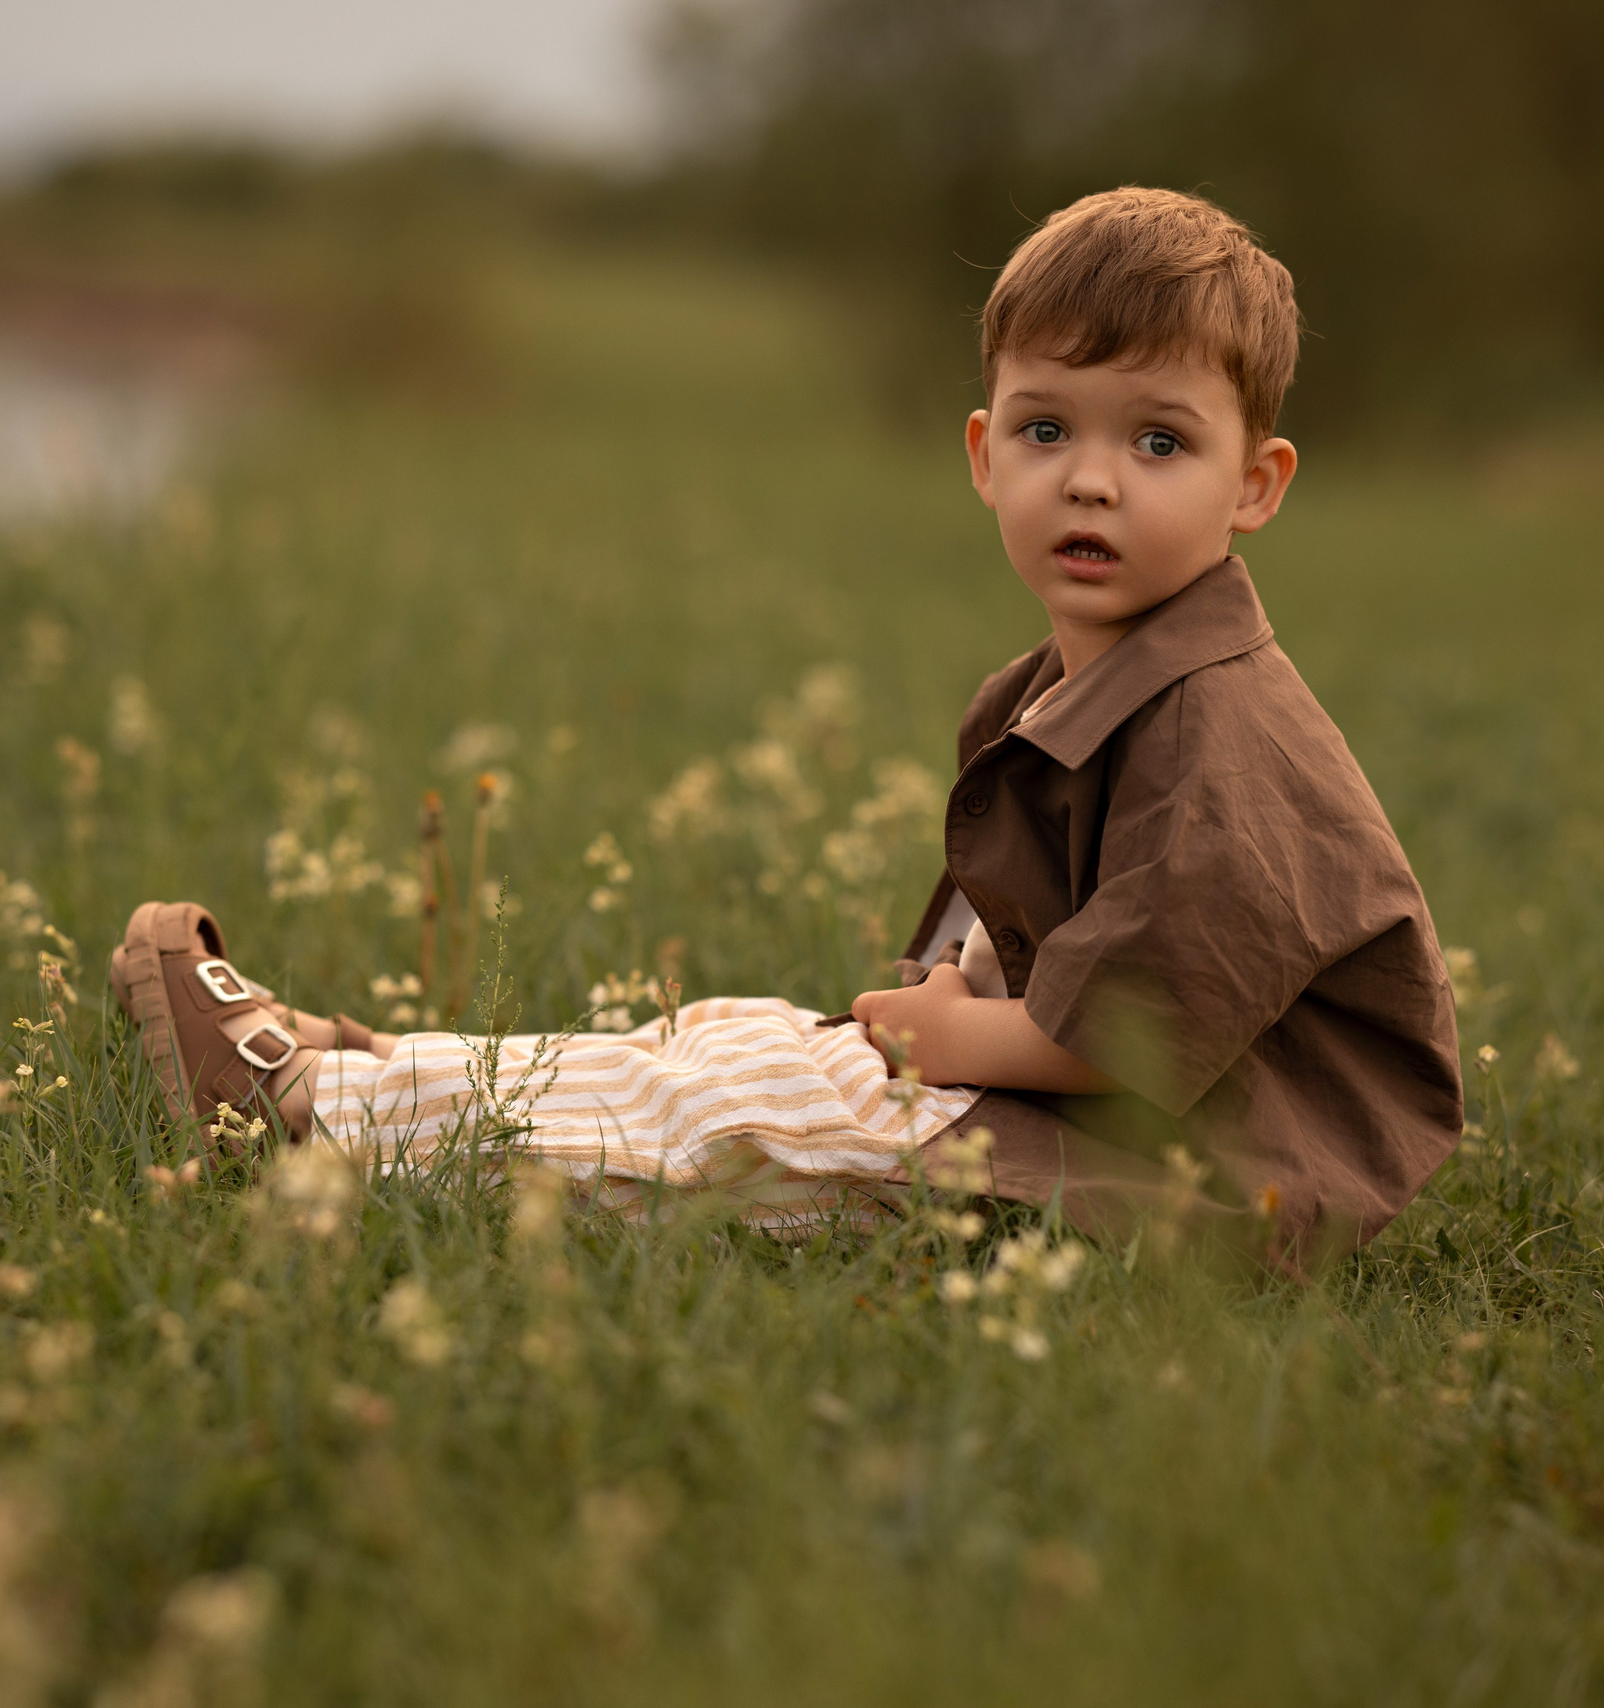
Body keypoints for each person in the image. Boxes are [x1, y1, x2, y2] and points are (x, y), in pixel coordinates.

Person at [109, 186, 1462, 1262]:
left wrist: (943, 1041)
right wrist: (943, 1018)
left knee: (744, 1123)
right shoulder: (1063, 681)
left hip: (1206, 1180)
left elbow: (1143, 1028)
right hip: (1073, 1101)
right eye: (1051, 431)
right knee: (724, 1040)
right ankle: (379, 1071)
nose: (1095, 481)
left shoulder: (1224, 735)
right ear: (987, 456)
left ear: (1257, 484)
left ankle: (301, 1122)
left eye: (1160, 443)